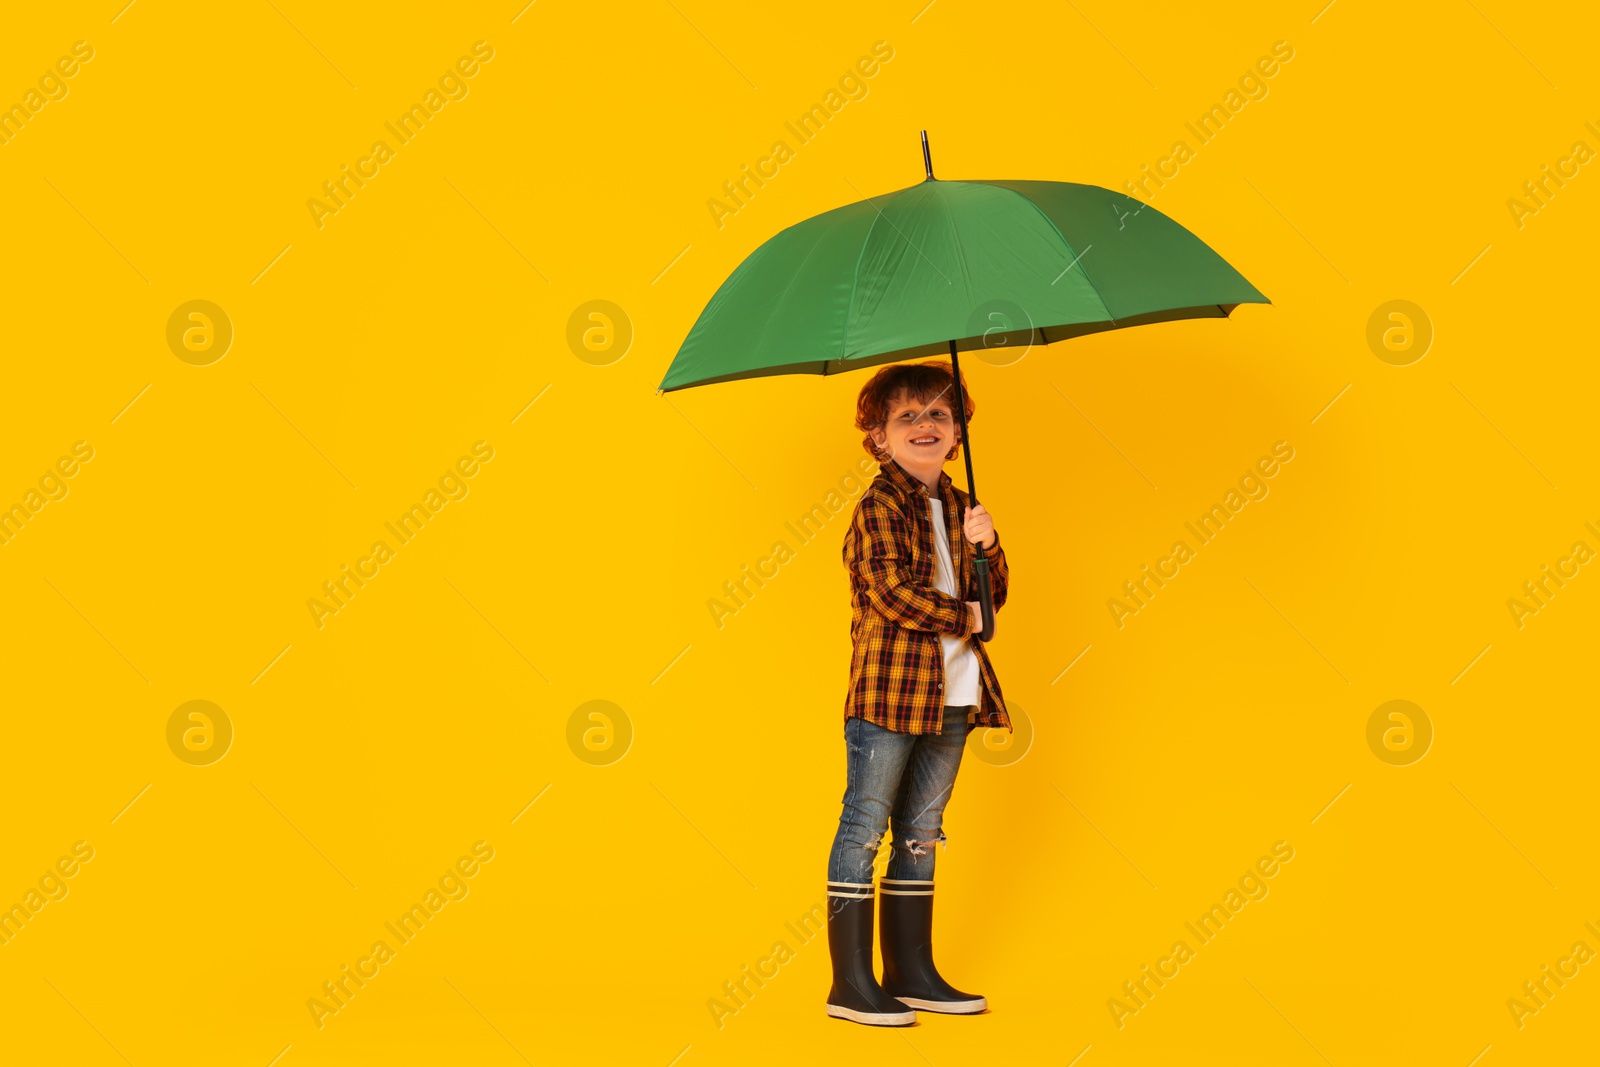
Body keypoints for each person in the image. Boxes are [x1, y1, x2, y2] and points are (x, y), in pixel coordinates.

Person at [825, 359, 1012, 1026]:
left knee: (922, 830)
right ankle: (851, 982)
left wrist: (988, 550)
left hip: (954, 694)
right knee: (865, 823)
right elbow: (889, 591)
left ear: (958, 429)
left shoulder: (964, 508)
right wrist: (965, 614)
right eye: (907, 416)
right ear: (878, 437)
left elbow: (995, 600)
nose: (924, 425)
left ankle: (912, 970)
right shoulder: (878, 506)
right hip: (890, 695)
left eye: (937, 413)